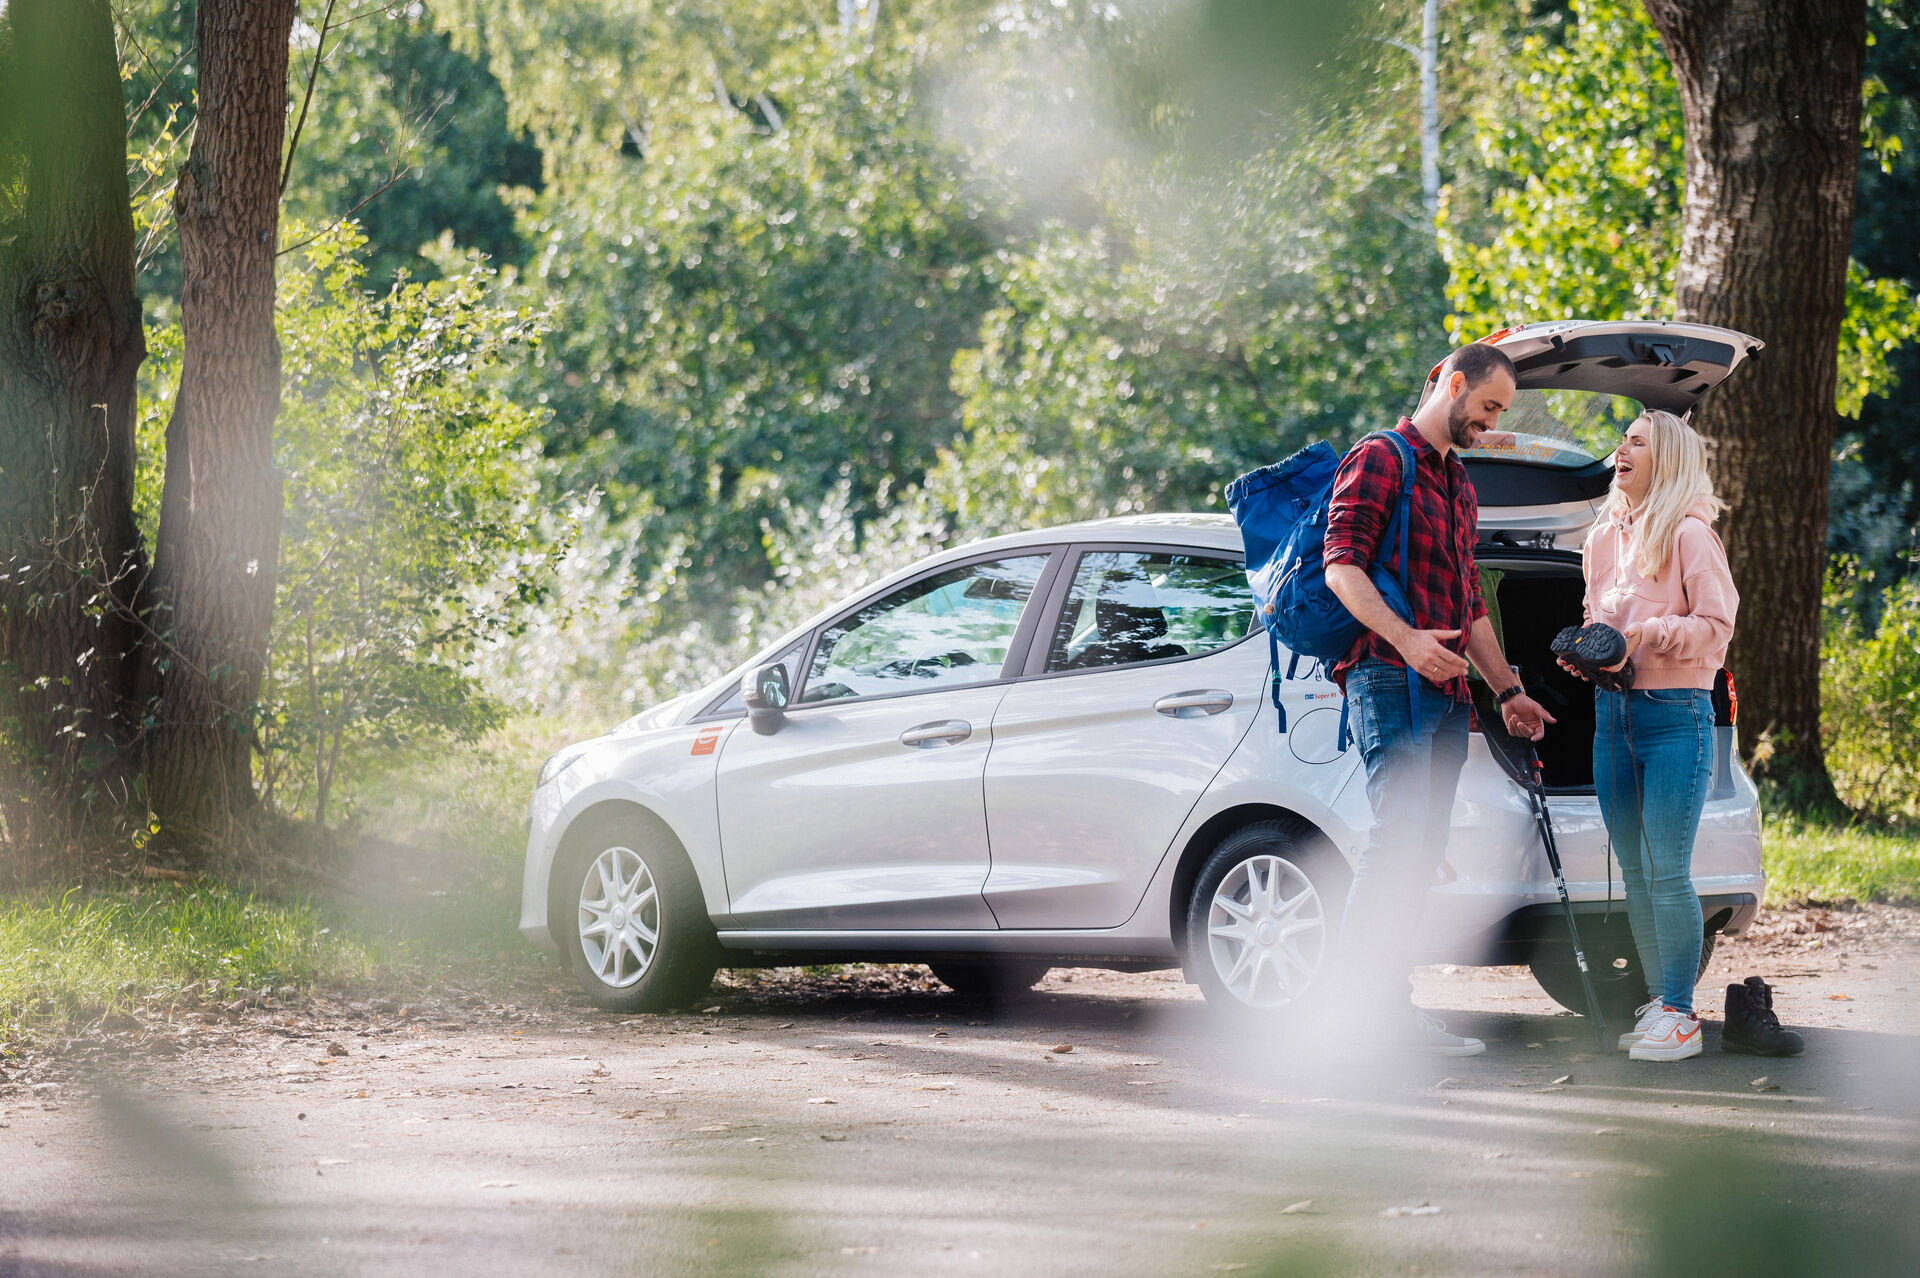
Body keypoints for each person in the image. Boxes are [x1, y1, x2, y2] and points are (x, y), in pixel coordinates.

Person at [1323, 342, 1555, 1057]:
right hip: (1387, 680)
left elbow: (1470, 607)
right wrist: (1408, 642)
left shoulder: (1458, 482)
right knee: (1396, 847)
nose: (1488, 425)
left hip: (1449, 695)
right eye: (1486, 408)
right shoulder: (1379, 458)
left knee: (1419, 855)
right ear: (1453, 385)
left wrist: (1509, 691)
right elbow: (1341, 569)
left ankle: (1389, 1013)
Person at [1559, 409, 1738, 1063]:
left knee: (1667, 872)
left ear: (1669, 460)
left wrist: (1649, 634)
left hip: (1674, 716)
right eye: (1622, 439)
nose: (1622, 448)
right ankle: (1662, 1001)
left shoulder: (1691, 534)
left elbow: (1718, 627)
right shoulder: (1601, 538)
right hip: (1613, 717)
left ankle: (1680, 1016)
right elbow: (1596, 616)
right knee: (1635, 874)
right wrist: (1587, 649)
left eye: (1639, 441)